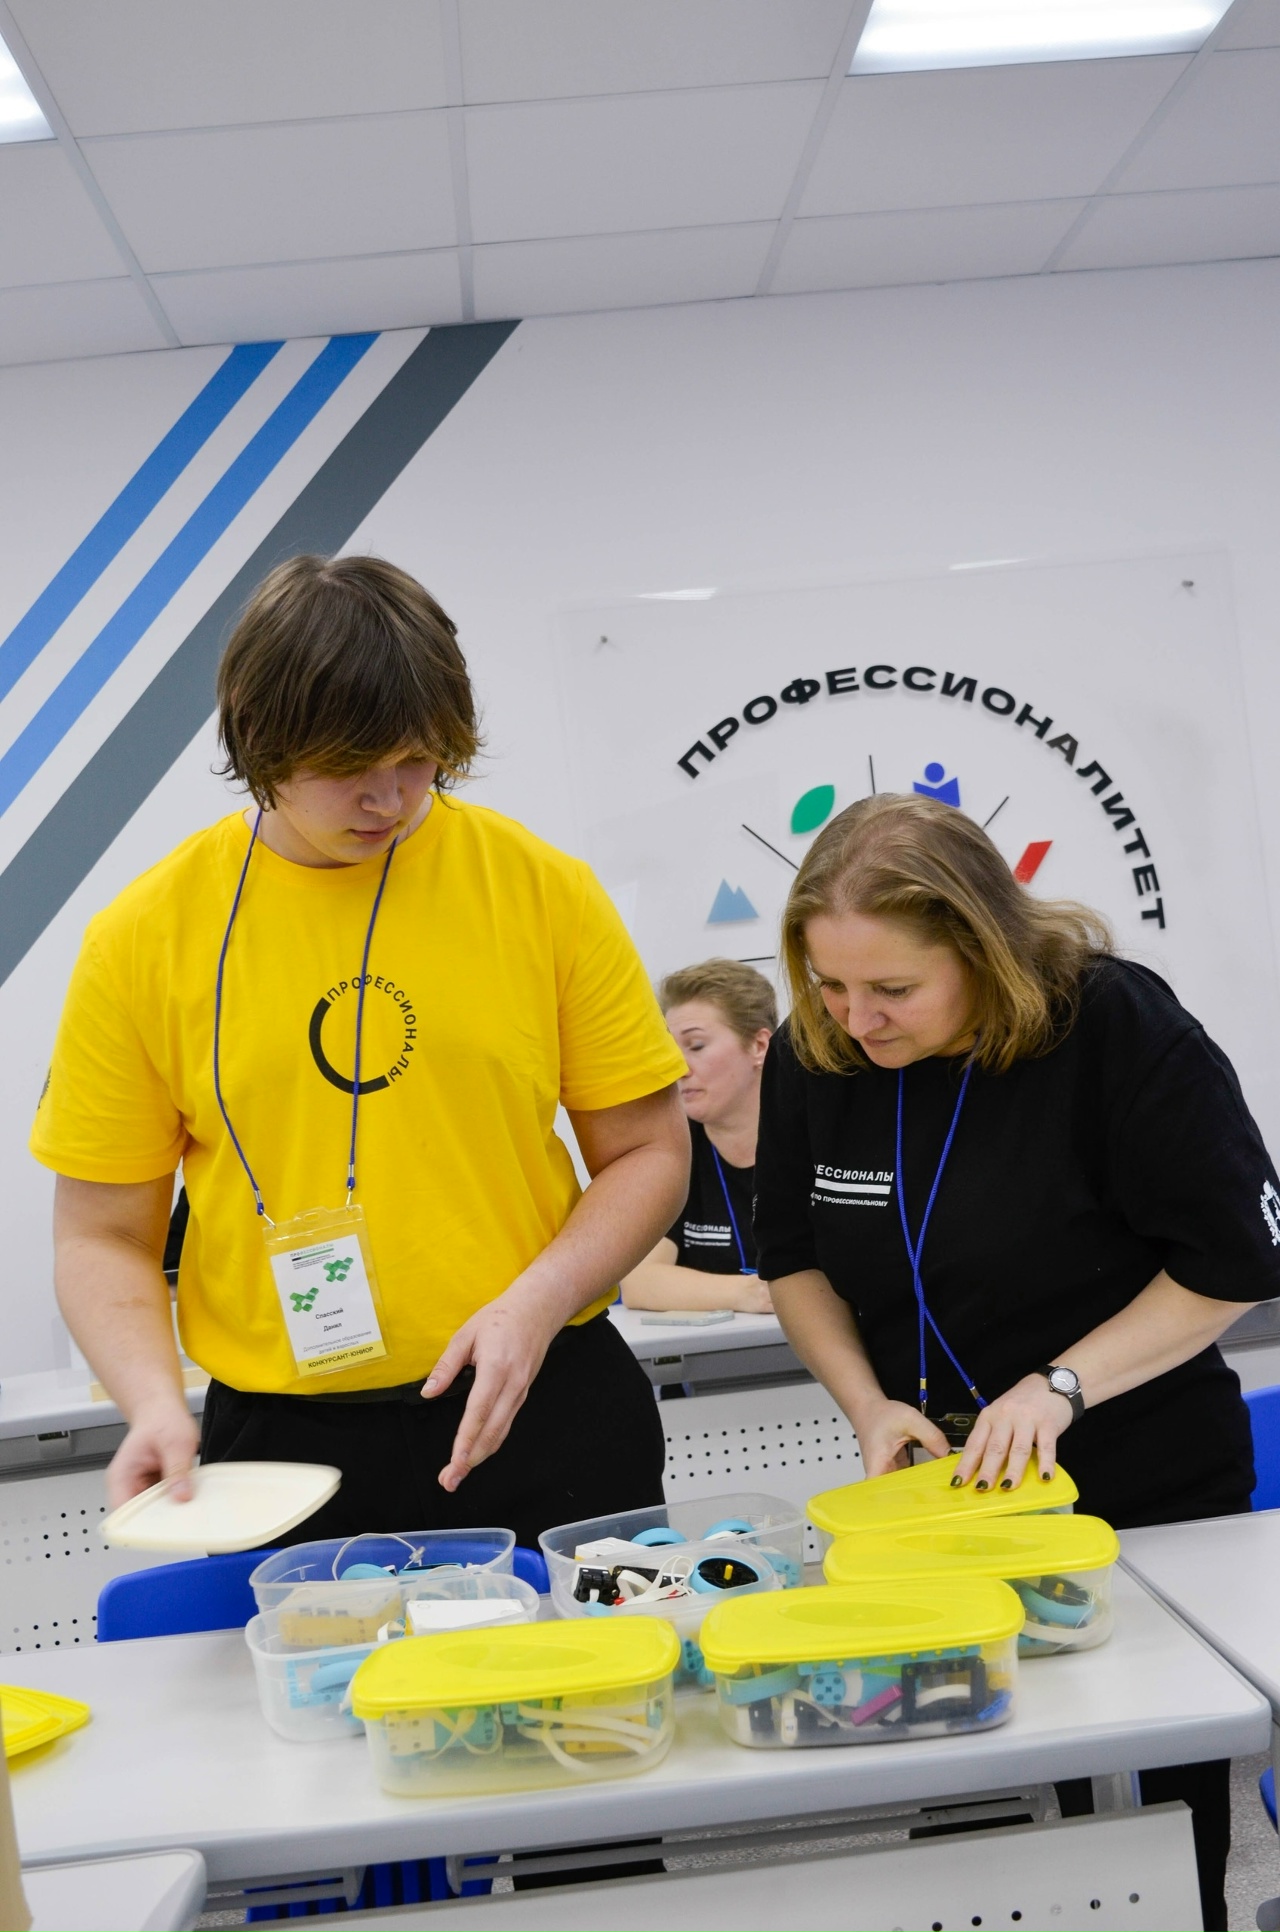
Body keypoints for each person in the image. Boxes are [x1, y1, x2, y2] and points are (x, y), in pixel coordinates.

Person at [30, 554, 690, 1551]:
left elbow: (648, 1153)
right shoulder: (143, 938)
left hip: (539, 1394)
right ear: (260, 741)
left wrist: (538, 1300)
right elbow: (99, 1235)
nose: (391, 800)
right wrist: (153, 1401)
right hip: (283, 1451)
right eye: (350, 768)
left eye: (419, 760)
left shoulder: (540, 889)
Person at [753, 791, 1280, 1932]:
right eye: (830, 984)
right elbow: (792, 1260)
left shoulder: (1112, 1028)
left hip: (1139, 1488)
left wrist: (1061, 1385)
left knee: (1156, 1827)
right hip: (935, 1510)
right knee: (977, 1821)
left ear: (983, 948)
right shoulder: (818, 1053)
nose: (856, 1019)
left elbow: (1233, 1262)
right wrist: (866, 1403)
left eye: (893, 990)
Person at [621, 959, 774, 1314]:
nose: (677, 1066)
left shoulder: (816, 1137)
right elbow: (638, 1282)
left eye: (697, 1045)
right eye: (670, 1048)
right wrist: (751, 1293)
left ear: (758, 1046)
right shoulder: (670, 1148)